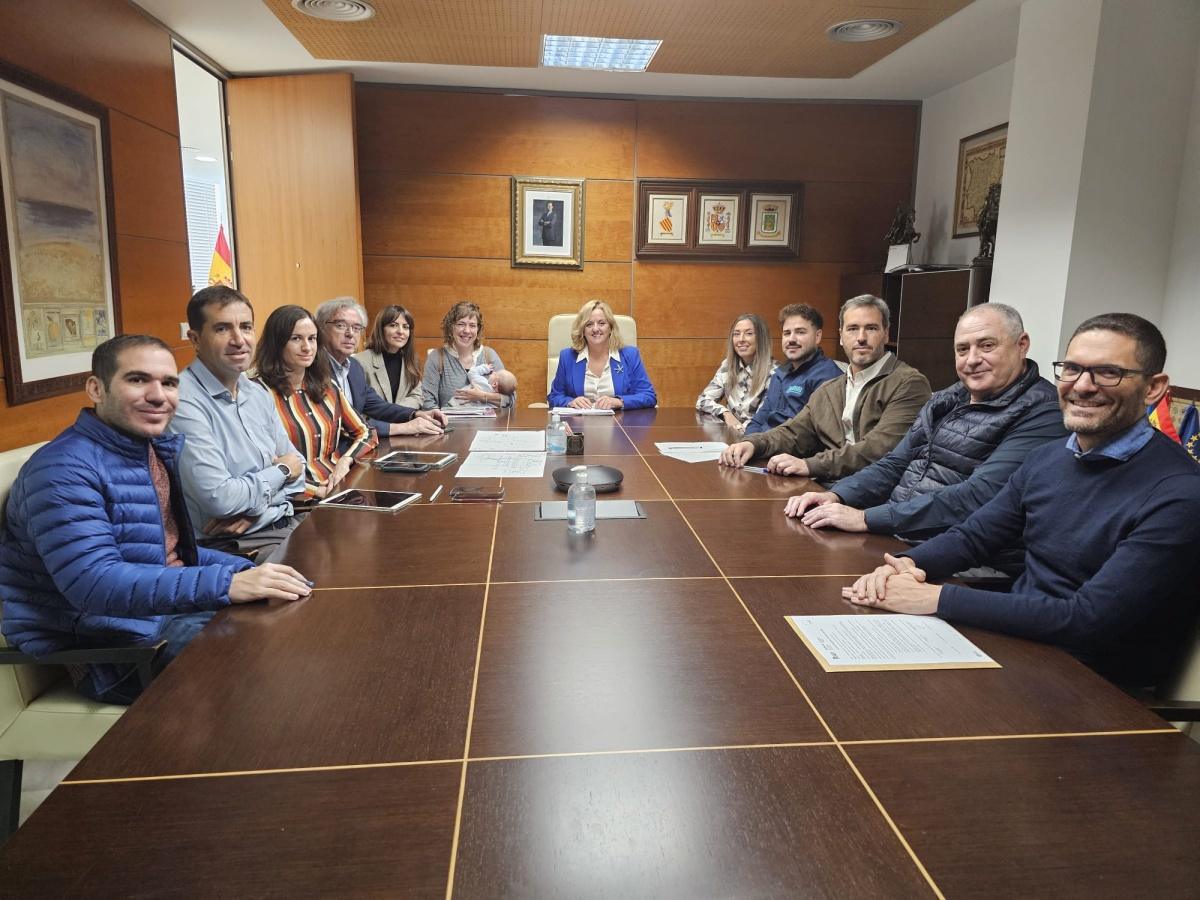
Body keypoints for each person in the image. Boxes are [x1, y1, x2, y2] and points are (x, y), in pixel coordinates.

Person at [844, 313, 1200, 689]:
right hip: (1017, 646)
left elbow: (1086, 620)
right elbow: (973, 537)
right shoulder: (1049, 458)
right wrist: (904, 565)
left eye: (1108, 372)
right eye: (1073, 369)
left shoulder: (1179, 494)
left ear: (1153, 388)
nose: (1083, 386)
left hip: (1093, 686)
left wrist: (935, 597)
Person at [0, 334, 311, 704]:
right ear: (96, 389)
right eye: (137, 380)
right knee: (287, 666)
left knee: (301, 617)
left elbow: (171, 554)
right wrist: (226, 584)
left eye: (169, 382)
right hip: (116, 654)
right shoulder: (62, 470)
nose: (157, 395)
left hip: (160, 619)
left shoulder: (145, 449)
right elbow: (94, 584)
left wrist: (246, 571)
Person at [784, 303, 1066, 541]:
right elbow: (895, 463)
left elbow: (977, 497)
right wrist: (837, 496)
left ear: (1022, 345)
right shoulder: (948, 397)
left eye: (987, 346)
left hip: (963, 560)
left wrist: (867, 518)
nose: (973, 359)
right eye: (962, 349)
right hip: (897, 532)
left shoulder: (1043, 411)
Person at [720, 295, 930, 483]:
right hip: (830, 481)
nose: (861, 337)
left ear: (886, 334)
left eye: (871, 328)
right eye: (852, 328)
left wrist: (810, 466)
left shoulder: (908, 383)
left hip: (876, 491)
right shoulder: (832, 388)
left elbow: (879, 449)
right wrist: (752, 444)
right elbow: (794, 432)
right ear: (841, 335)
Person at [170, 286, 309, 560]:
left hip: (278, 522)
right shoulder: (182, 400)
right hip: (233, 546)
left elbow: (300, 471)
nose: (239, 340)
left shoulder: (256, 392)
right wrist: (281, 470)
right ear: (195, 339)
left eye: (245, 327)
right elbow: (221, 500)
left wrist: (255, 508)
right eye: (222, 329)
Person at [253, 305, 378, 500]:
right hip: (297, 503)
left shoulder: (327, 386)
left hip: (340, 488)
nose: (307, 347)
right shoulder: (257, 395)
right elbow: (262, 468)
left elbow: (366, 432)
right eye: (296, 339)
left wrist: (345, 461)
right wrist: (315, 491)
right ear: (277, 343)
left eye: (312, 338)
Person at [315, 297, 446, 440]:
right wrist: (403, 427)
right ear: (321, 328)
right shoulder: (314, 370)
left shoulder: (353, 367)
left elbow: (378, 406)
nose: (350, 333)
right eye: (341, 325)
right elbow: (340, 425)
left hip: (361, 447)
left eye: (357, 327)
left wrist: (416, 414)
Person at [743, 305, 841, 434]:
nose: (791, 339)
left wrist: (760, 447)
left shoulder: (828, 376)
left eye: (800, 332)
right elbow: (759, 419)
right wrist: (748, 443)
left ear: (818, 336)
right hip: (764, 446)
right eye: (787, 333)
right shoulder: (780, 373)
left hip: (789, 451)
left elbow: (811, 435)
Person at [548, 300, 656, 410]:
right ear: (583, 330)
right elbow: (554, 397)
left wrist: (619, 401)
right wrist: (571, 402)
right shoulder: (567, 357)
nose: (595, 329)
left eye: (601, 323)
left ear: (610, 328)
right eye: (589, 324)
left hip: (621, 424)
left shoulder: (630, 355)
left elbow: (649, 396)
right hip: (578, 424)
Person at [422, 300, 517, 409]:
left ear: (478, 329)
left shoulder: (489, 355)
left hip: (486, 425)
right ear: (451, 327)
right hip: (450, 425)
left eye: (472, 325)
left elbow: (511, 399)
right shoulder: (437, 357)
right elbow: (427, 401)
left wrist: (482, 396)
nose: (467, 330)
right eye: (461, 324)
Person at [695, 313, 778, 432]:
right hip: (731, 436)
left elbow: (763, 418)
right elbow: (702, 401)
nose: (741, 339)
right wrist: (726, 413)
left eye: (749, 333)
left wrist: (740, 431)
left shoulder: (775, 372)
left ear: (761, 338)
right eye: (736, 334)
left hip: (756, 438)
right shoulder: (727, 366)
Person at [353, 304, 423, 408]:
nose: (400, 331)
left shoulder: (411, 360)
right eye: (393, 325)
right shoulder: (359, 362)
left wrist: (396, 413)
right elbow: (359, 404)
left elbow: (417, 396)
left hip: (405, 421)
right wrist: (392, 414)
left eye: (405, 327)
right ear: (381, 329)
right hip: (374, 423)